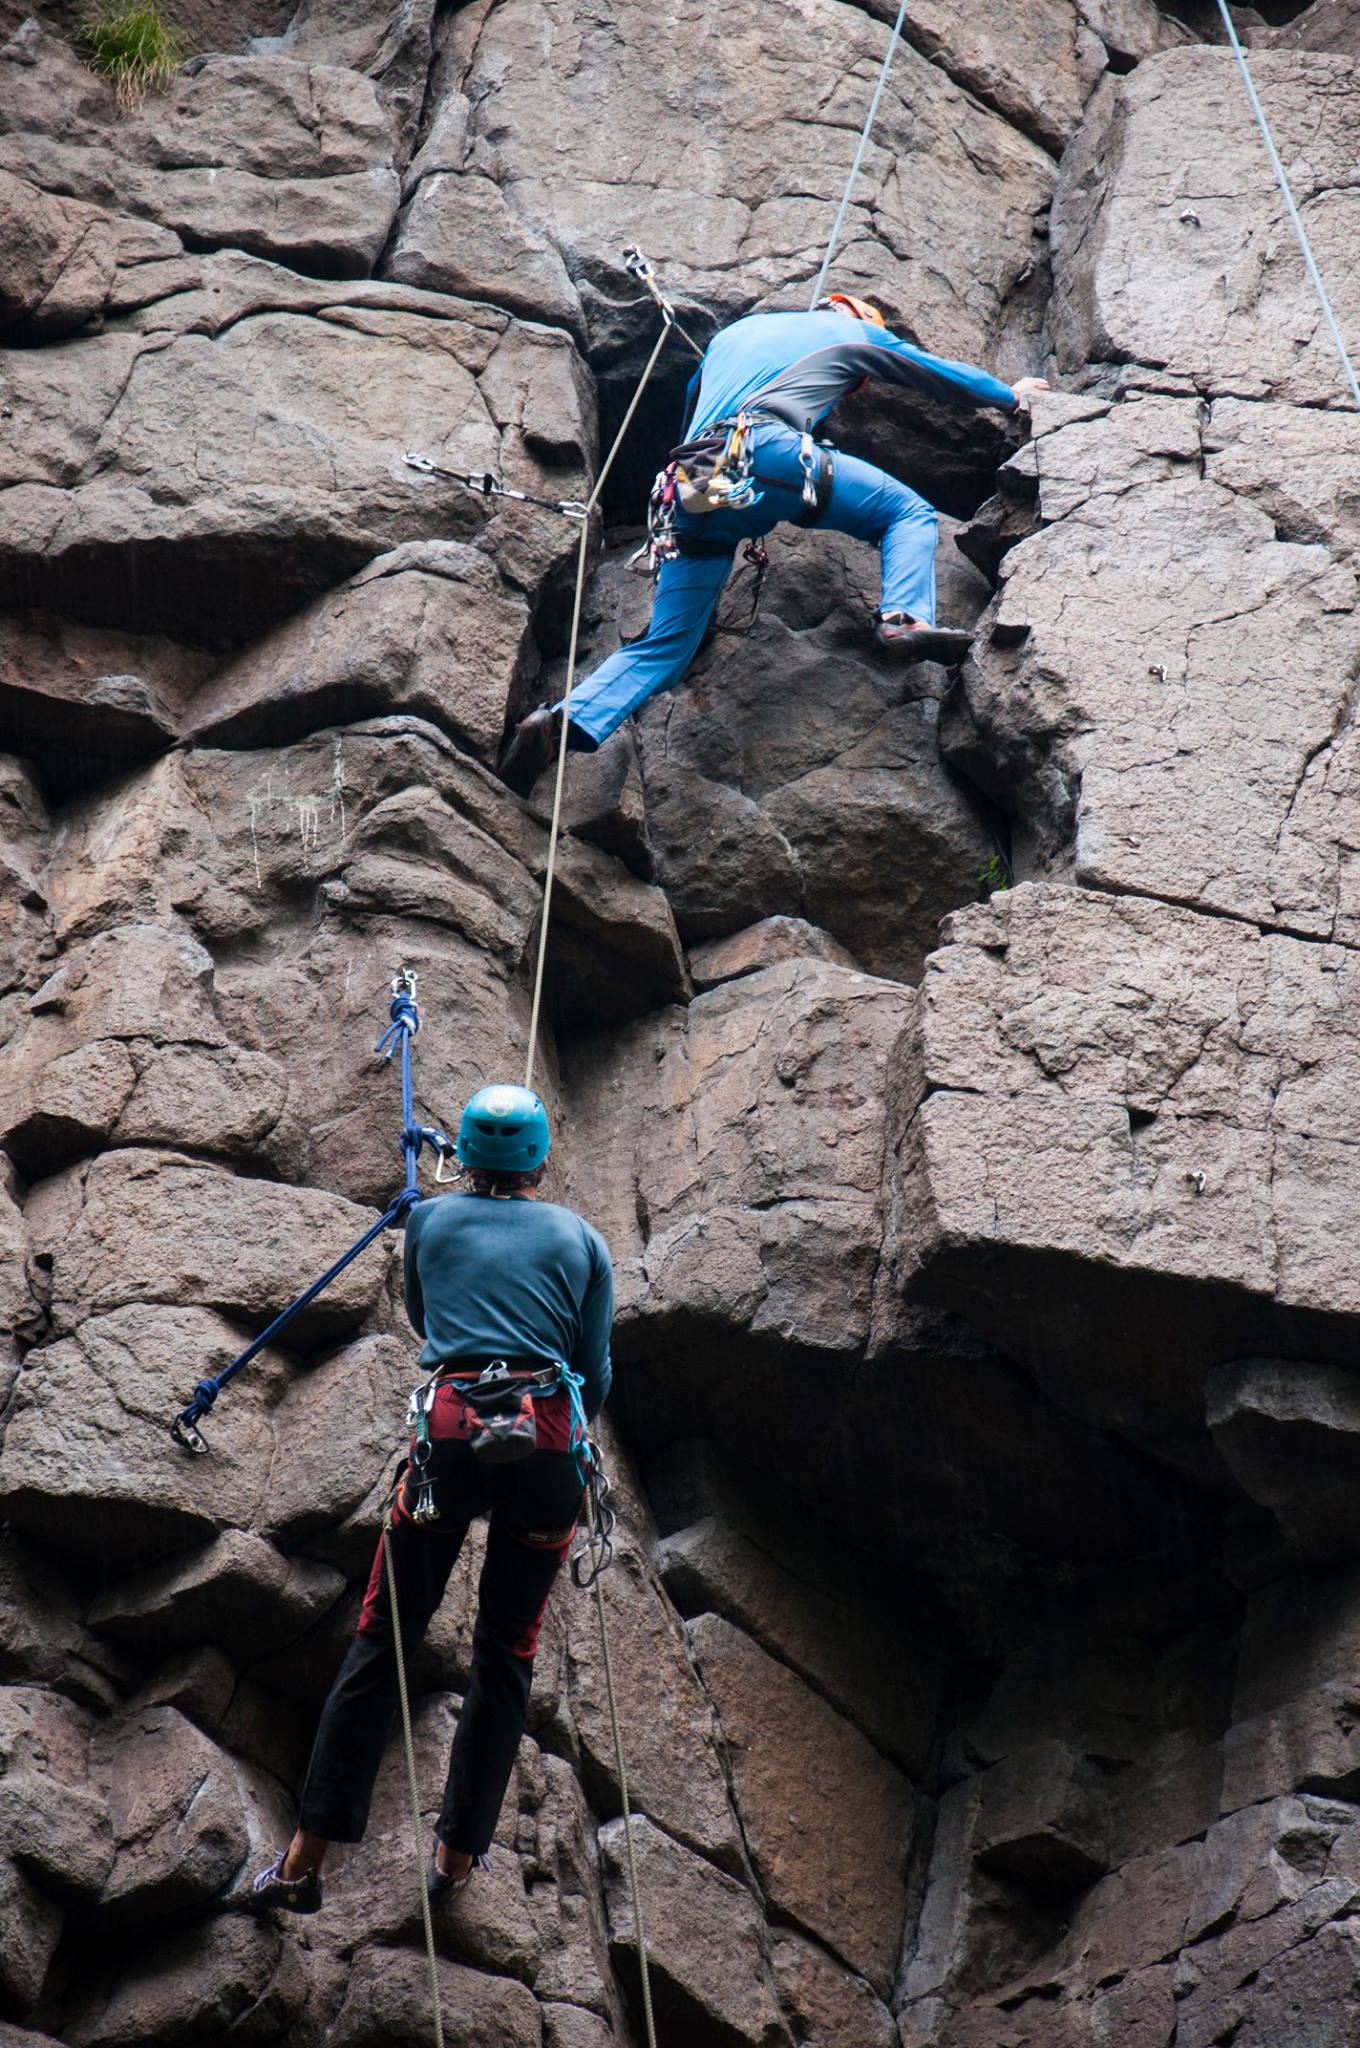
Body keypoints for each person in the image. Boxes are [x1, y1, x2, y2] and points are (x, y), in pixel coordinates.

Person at [251, 1083, 613, 1913]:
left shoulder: (432, 1223)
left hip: (448, 1442)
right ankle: (454, 1859)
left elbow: (427, 1325)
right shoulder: (581, 1239)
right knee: (506, 1650)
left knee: (385, 1639)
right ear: (541, 1158)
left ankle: (304, 1861)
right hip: (548, 1446)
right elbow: (593, 1370)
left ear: (470, 1157)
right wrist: (564, 1444)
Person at [500, 292, 1049, 790]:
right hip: (762, 452)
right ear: (852, 315)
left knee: (666, 649)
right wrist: (1009, 395)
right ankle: (904, 616)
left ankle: (558, 726)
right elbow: (929, 372)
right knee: (907, 511)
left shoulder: (731, 337)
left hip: (689, 486)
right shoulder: (853, 332)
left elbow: (693, 404)